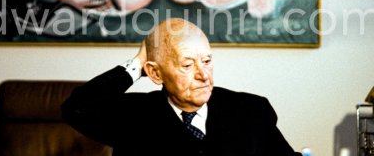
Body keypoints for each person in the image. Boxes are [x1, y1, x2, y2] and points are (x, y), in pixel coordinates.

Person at [61, 18, 302, 155]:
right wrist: (137, 65)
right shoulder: (134, 116)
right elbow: (76, 108)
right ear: (155, 73)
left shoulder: (251, 111)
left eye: (207, 61)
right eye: (187, 65)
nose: (203, 75)